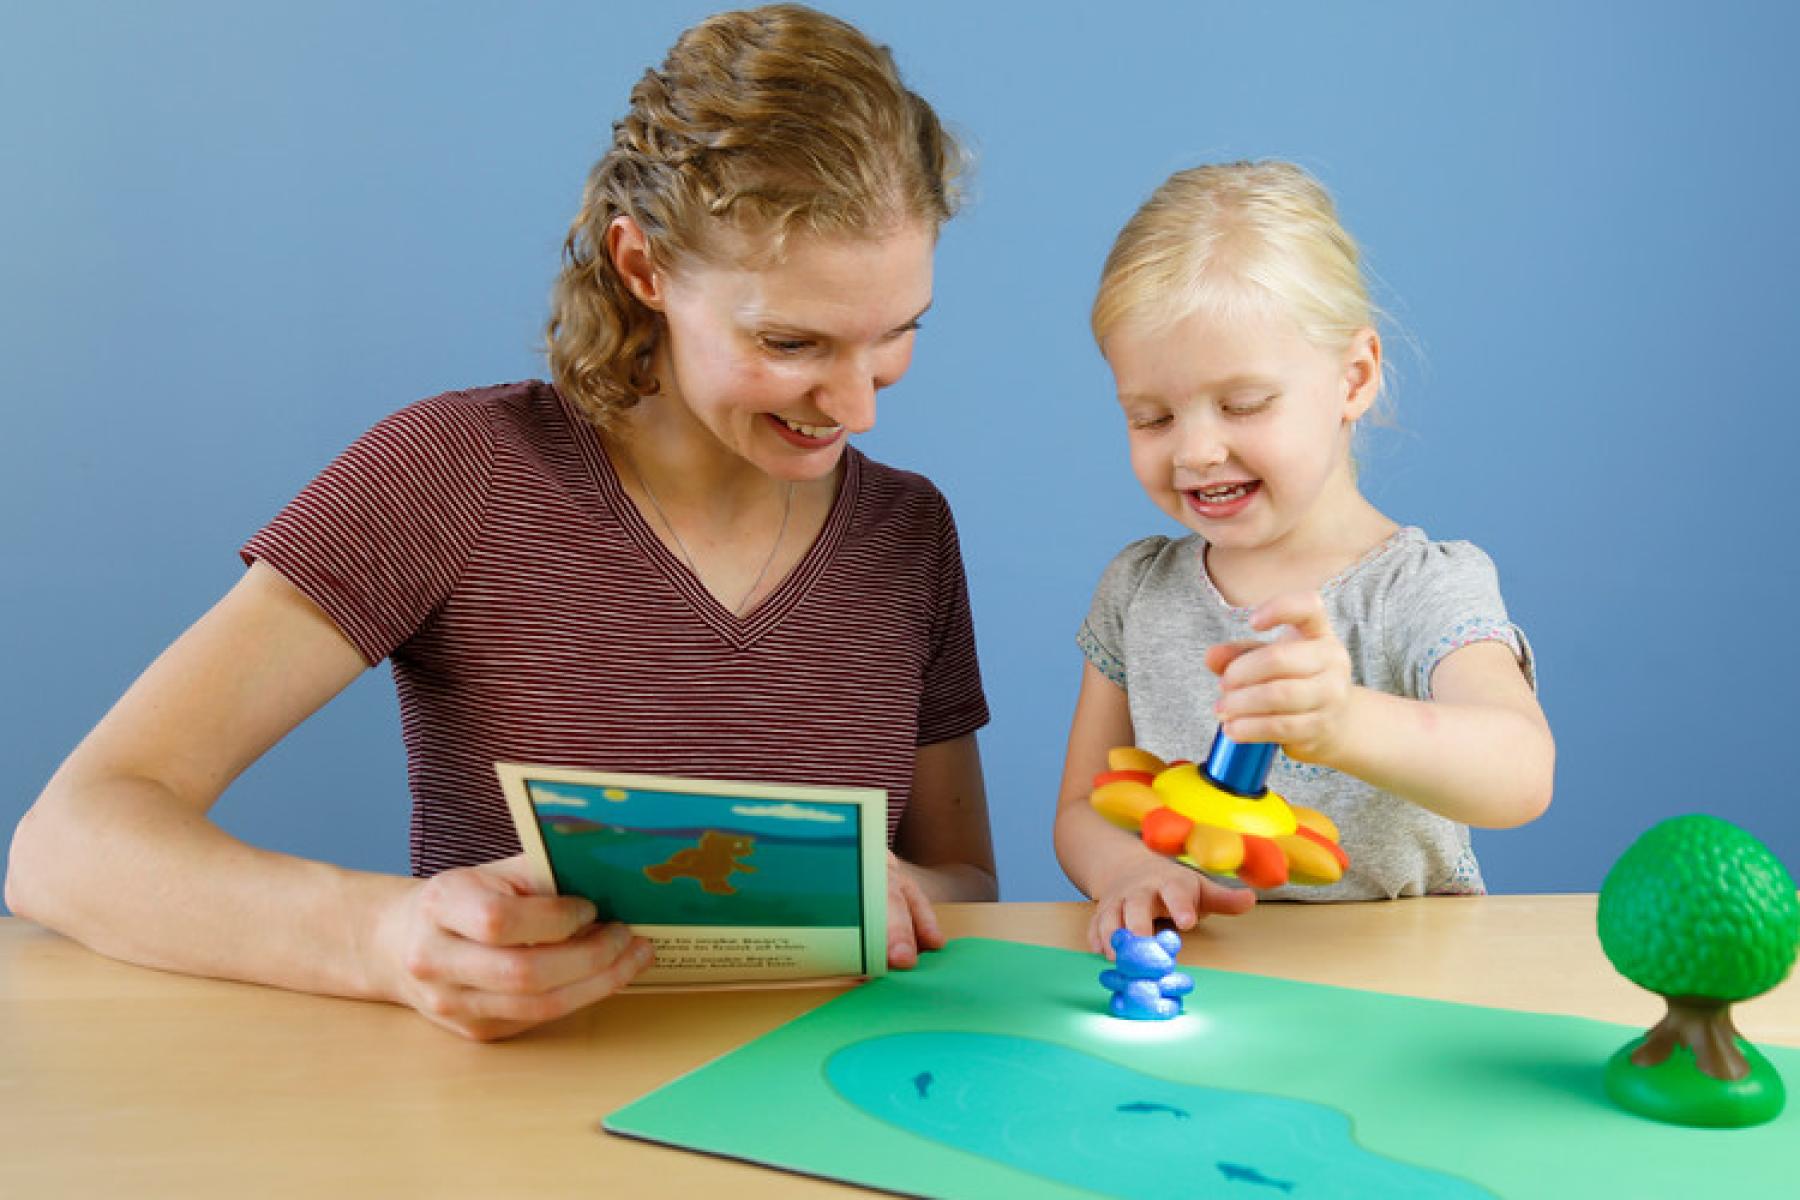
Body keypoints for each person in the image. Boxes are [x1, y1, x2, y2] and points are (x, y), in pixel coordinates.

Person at [6, 4, 997, 1041]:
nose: (858, 406)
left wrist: (903, 892)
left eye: (894, 334)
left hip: (823, 1104)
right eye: (791, 341)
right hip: (516, 1121)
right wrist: (381, 938)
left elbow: (971, 880)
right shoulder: (458, 474)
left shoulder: (907, 532)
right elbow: (67, 845)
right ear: (643, 267)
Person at [1054, 161, 1554, 952]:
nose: (1196, 450)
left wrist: (1343, 720)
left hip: (1412, 987)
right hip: (1212, 980)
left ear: (1354, 378)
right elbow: (1084, 804)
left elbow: (1521, 771)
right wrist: (1122, 870)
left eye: (1243, 405)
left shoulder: (1421, 589)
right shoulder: (1136, 591)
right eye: (1151, 418)